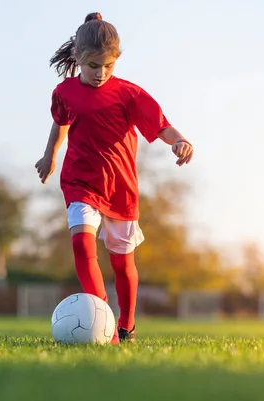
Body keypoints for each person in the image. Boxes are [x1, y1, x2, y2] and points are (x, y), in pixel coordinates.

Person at [35, 12, 194, 343]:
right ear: (78, 58)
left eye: (108, 65)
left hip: (120, 187)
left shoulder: (129, 94)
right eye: (94, 66)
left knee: (123, 265)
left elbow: (161, 125)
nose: (101, 73)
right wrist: (49, 156)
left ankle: (126, 325)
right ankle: (102, 320)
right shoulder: (64, 92)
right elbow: (61, 122)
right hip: (80, 180)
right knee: (81, 243)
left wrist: (179, 140)